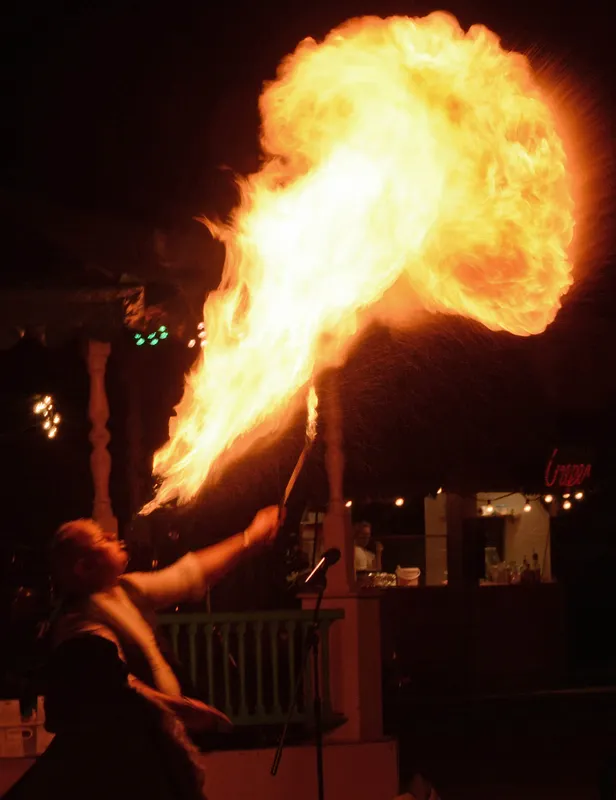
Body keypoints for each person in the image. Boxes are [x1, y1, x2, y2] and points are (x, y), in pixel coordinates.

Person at [5, 506, 281, 800]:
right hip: (118, 762)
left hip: (147, 748)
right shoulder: (78, 622)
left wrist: (249, 538)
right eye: (101, 539)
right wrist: (179, 708)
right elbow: (116, 683)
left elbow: (189, 575)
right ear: (84, 567)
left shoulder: (122, 590)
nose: (113, 535)